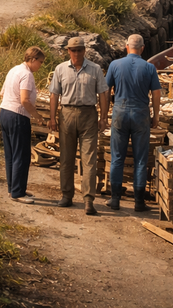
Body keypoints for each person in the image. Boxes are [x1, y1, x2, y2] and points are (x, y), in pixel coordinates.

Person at [48, 36, 108, 216]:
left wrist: (103, 117)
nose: (76, 53)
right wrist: (52, 118)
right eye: (73, 50)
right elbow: (54, 95)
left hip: (88, 115)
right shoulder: (60, 69)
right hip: (66, 114)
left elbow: (103, 94)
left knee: (89, 159)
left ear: (84, 50)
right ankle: (66, 195)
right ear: (68, 51)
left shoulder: (95, 69)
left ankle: (88, 200)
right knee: (66, 157)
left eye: (79, 50)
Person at [103, 34, 162, 212]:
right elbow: (156, 93)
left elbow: (105, 91)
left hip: (120, 112)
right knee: (140, 159)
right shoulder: (149, 67)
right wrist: (156, 115)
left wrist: (104, 115)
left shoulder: (115, 65)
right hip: (140, 114)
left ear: (126, 46)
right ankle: (139, 202)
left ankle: (115, 199)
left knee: (117, 157)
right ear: (142, 48)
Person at [0, 47, 47, 204]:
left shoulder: (13, 70)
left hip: (5, 112)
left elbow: (2, 93)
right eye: (40, 62)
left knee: (11, 154)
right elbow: (25, 100)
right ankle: (18, 192)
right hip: (17, 116)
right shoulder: (27, 74)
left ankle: (13, 188)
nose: (40, 65)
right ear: (33, 60)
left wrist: (1, 113)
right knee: (21, 155)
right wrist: (37, 116)